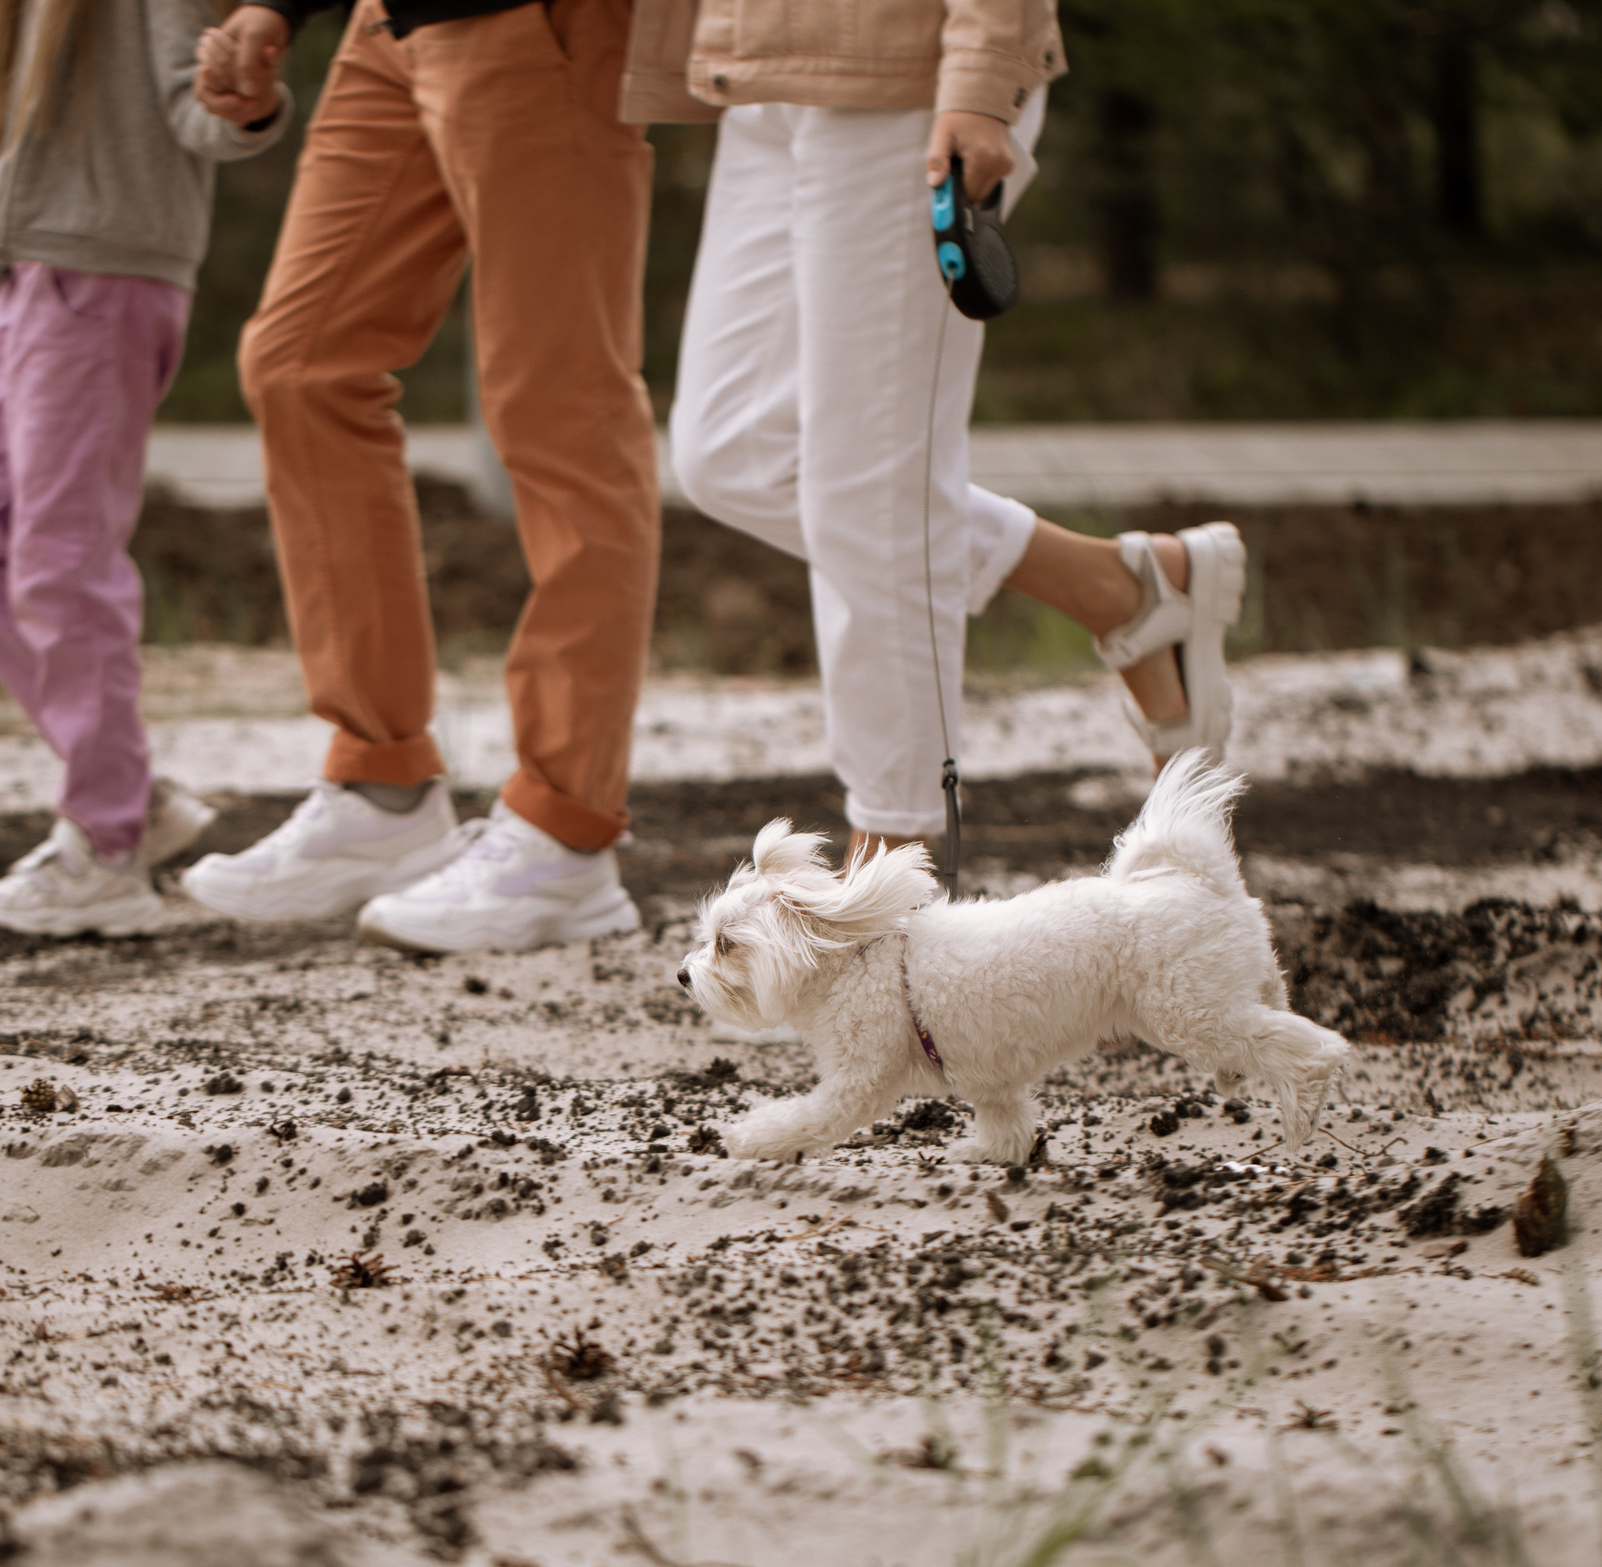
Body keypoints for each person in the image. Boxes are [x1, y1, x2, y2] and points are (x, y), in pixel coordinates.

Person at [630, 0, 1250, 858]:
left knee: (870, 487)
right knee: (732, 452)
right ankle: (1122, 589)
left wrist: (983, 74)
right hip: (764, 67)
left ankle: (897, 864)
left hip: (905, 72)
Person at [178, 0, 662, 954]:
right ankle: (380, 783)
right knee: (299, 363)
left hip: (537, 20)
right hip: (388, 25)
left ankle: (566, 835)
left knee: (561, 401)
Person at [0, 0, 292, 936]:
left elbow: (197, 114)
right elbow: (26, 153)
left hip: (103, 285)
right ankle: (130, 791)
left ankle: (107, 849)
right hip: (29, 280)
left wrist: (246, 108)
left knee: (61, 562)